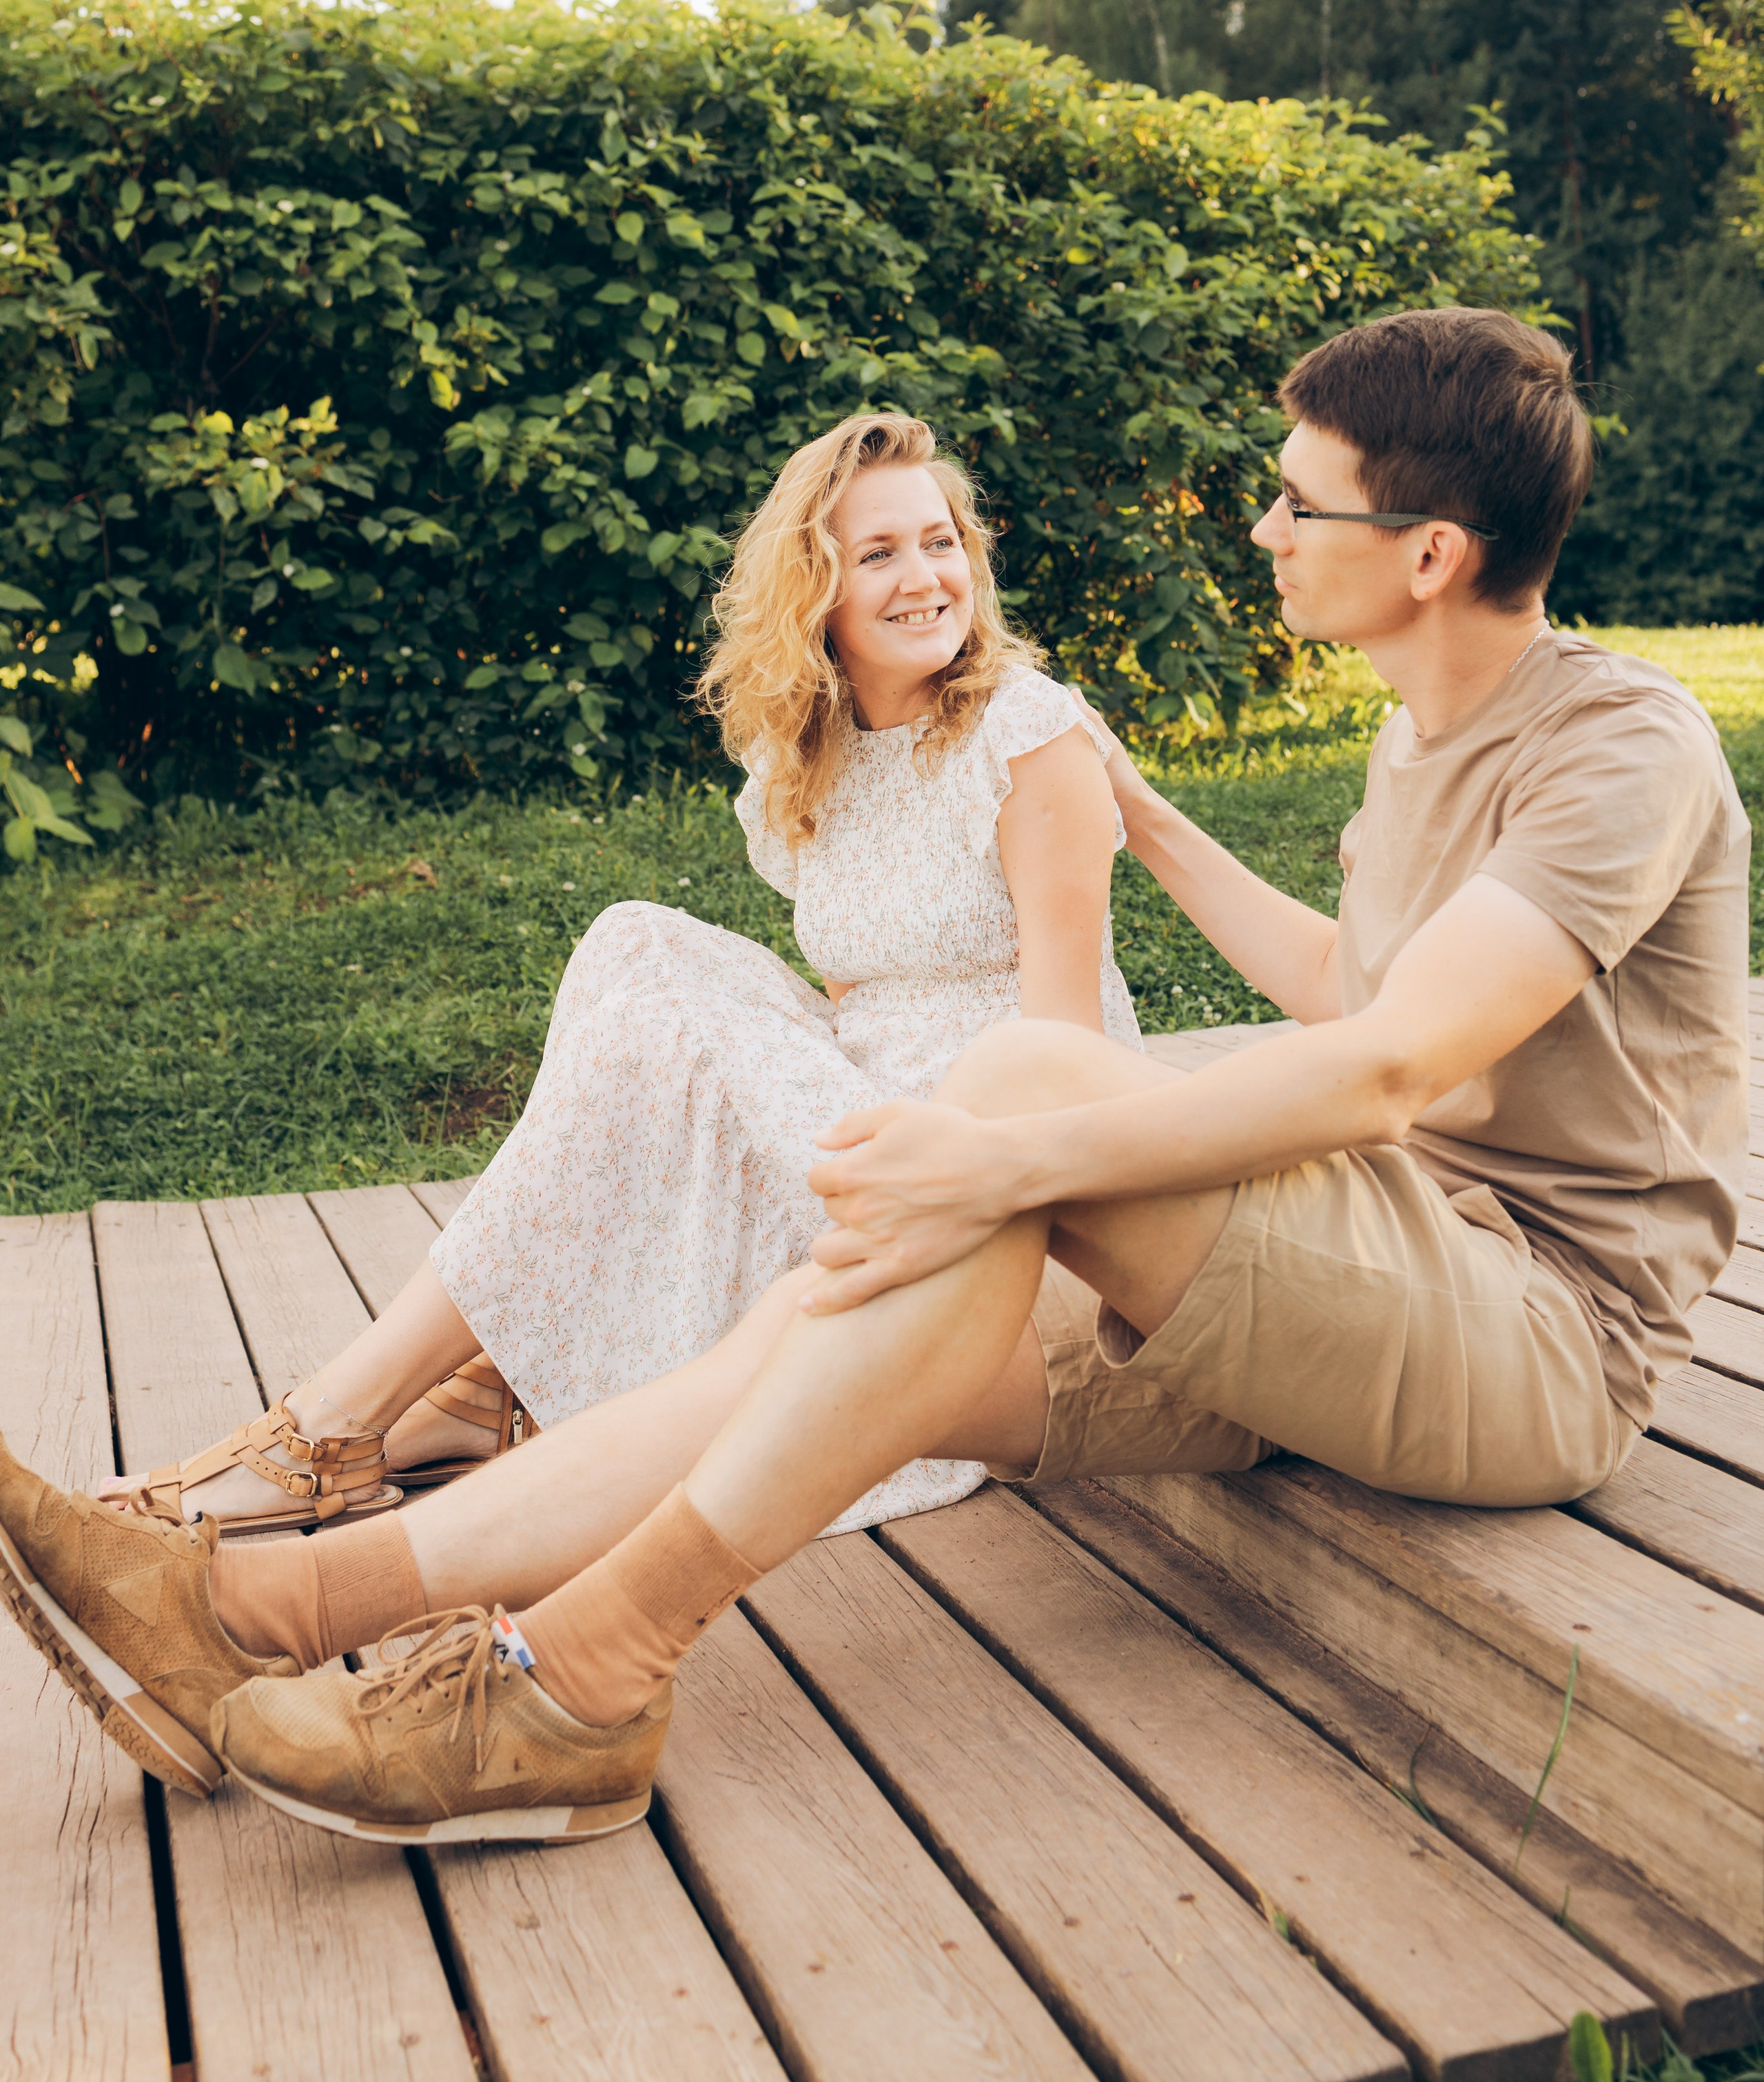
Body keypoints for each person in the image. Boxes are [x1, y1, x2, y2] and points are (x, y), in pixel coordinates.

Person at [5, 305, 1748, 1850]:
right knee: (809, 1330)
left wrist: (1013, 1159)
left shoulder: (1614, 746)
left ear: (1428, 551)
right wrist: (1147, 820)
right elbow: (1345, 979)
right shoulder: (1412, 725)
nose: (1263, 522)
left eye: (1301, 498)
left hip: (1529, 1326)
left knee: (1011, 1093)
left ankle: (582, 1672)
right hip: (1351, 1282)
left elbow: (1386, 1064)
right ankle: (263, 1608)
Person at [96, 410, 1138, 1542]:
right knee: (633, 940)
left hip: (974, 1187)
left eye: (941, 541)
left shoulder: (1029, 735)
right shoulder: (818, 754)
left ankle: (332, 1423)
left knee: (669, 1029)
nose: (926, 577)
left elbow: (1068, 1069)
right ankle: (479, 1381)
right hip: (862, 1110)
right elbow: (858, 993)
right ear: (816, 590)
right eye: (879, 553)